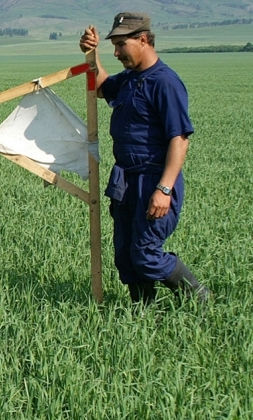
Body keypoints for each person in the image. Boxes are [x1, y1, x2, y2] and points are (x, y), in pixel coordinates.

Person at [79, 12, 210, 304]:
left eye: (121, 44)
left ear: (143, 39)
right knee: (126, 254)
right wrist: (92, 54)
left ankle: (199, 298)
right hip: (125, 180)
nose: (116, 52)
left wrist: (164, 189)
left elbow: (180, 138)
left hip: (153, 179)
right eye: (112, 45)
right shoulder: (128, 79)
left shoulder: (165, 82)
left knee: (146, 254)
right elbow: (100, 88)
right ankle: (142, 312)